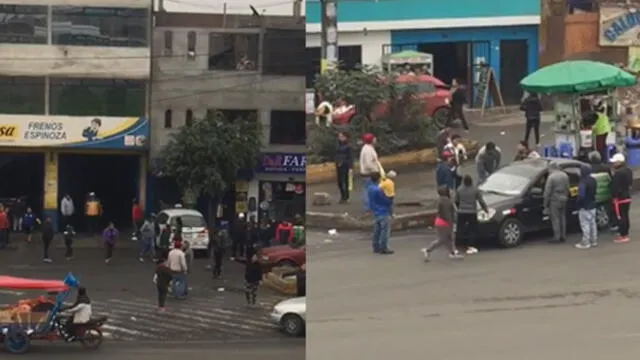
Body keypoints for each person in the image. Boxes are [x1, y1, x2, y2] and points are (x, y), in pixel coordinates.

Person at [423, 186, 463, 261]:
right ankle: (428, 250)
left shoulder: (440, 200)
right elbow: (448, 213)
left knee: (448, 238)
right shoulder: (447, 201)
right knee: (443, 239)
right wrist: (451, 222)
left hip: (439, 221)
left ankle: (452, 253)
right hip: (445, 222)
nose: (451, 192)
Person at [455, 175, 489, 255]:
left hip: (461, 212)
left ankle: (459, 243)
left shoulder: (459, 189)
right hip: (472, 212)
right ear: (471, 181)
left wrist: (459, 208)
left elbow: (456, 201)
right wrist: (486, 210)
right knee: (472, 229)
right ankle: (471, 245)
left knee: (460, 228)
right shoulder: (475, 190)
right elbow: (481, 201)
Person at [367, 172, 394, 254]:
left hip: (375, 211)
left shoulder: (370, 188)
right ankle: (383, 247)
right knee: (384, 231)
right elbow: (385, 201)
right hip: (383, 211)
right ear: (378, 179)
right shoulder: (379, 190)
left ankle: (376, 246)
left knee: (377, 230)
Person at [544, 161, 570, 244]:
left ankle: (557, 237)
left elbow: (547, 192)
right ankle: (563, 235)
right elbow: (567, 187)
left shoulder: (551, 177)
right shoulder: (564, 175)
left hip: (555, 199)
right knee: (563, 217)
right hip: (564, 197)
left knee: (555, 218)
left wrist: (545, 204)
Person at [610, 153, 633, 243]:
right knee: (625, 215)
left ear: (619, 162)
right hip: (627, 196)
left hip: (620, 198)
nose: (613, 164)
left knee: (620, 216)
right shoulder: (628, 170)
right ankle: (625, 233)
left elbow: (614, 187)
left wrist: (614, 196)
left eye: (615, 162)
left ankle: (623, 235)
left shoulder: (618, 173)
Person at [575, 164, 598, 249]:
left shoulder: (583, 182)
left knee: (585, 225)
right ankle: (594, 241)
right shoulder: (593, 180)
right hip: (593, 204)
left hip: (584, 206)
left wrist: (578, 204)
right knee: (593, 223)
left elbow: (581, 195)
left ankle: (585, 242)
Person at [359, 133, 380, 211]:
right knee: (369, 190)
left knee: (368, 190)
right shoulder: (367, 149)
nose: (375, 139)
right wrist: (375, 170)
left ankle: (370, 206)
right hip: (369, 173)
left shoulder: (368, 148)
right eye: (374, 138)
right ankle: (369, 207)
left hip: (367, 173)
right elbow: (368, 163)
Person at [335, 131, 353, 204]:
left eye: (341, 136)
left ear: (345, 137)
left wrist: (350, 167)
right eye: (339, 136)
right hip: (338, 165)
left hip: (345, 165)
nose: (339, 138)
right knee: (339, 182)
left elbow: (351, 157)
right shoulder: (338, 145)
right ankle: (342, 196)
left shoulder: (348, 146)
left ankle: (346, 197)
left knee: (345, 181)